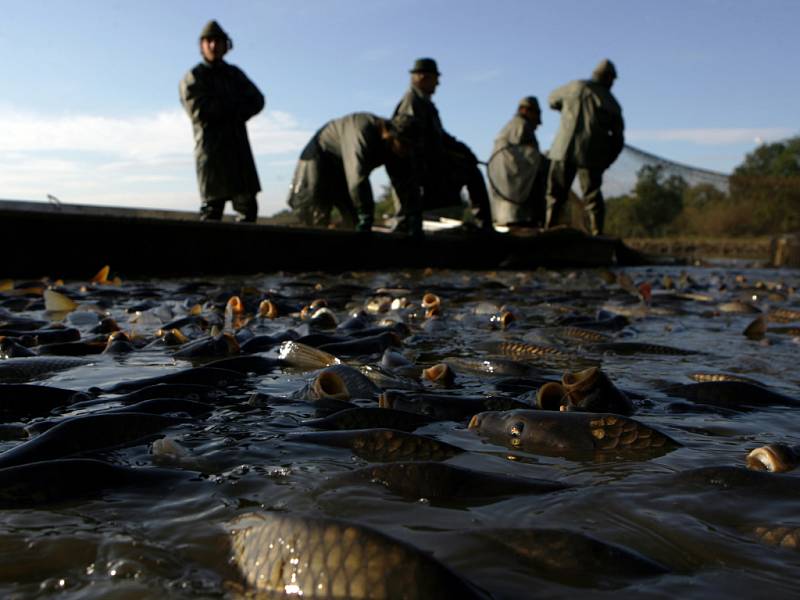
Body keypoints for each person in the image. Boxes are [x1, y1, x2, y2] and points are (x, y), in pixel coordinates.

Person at [391, 58, 493, 235]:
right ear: (422, 77)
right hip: (420, 172)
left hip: (430, 168)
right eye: (434, 78)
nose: (438, 83)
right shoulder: (412, 102)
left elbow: (440, 137)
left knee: (470, 169)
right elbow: (408, 140)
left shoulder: (424, 103)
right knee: (470, 173)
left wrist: (463, 150)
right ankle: (483, 225)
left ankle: (483, 226)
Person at [179, 20, 265, 222]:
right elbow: (199, 111)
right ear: (202, 46)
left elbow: (257, 100)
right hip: (211, 153)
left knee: (247, 209)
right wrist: (233, 107)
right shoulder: (194, 76)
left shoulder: (234, 75)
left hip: (238, 151)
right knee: (212, 210)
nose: (213, 46)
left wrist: (231, 110)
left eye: (218, 41)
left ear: (226, 45)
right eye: (208, 41)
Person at [287, 113, 418, 231]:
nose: (407, 151)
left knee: (352, 221)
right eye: (404, 145)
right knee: (313, 214)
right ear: (388, 135)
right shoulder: (363, 131)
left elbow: (406, 184)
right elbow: (357, 178)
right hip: (320, 157)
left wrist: (413, 215)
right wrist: (366, 213)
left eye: (412, 147)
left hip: (345, 169)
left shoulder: (400, 150)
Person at [545, 59, 624, 235]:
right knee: (592, 196)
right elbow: (618, 138)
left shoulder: (573, 87)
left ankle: (549, 230)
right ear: (608, 78)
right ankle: (596, 234)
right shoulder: (610, 101)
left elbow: (551, 100)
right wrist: (607, 160)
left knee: (555, 195)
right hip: (590, 154)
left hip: (561, 150)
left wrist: (567, 108)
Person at [487, 96, 548, 227]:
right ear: (525, 110)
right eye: (536, 114)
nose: (538, 122)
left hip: (503, 202)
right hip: (519, 204)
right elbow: (529, 162)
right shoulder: (521, 126)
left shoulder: (509, 128)